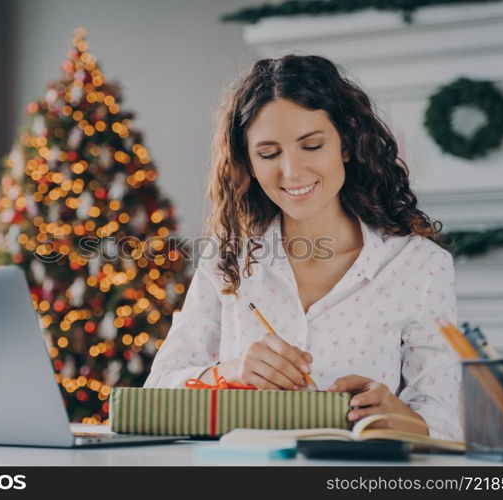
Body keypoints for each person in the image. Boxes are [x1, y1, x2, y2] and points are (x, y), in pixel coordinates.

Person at [143, 55, 462, 441]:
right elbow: (156, 393)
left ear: (345, 144)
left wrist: (401, 418)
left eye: (311, 145)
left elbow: (446, 422)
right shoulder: (228, 261)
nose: (291, 171)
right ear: (249, 164)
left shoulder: (420, 266)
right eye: (269, 154)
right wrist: (229, 373)